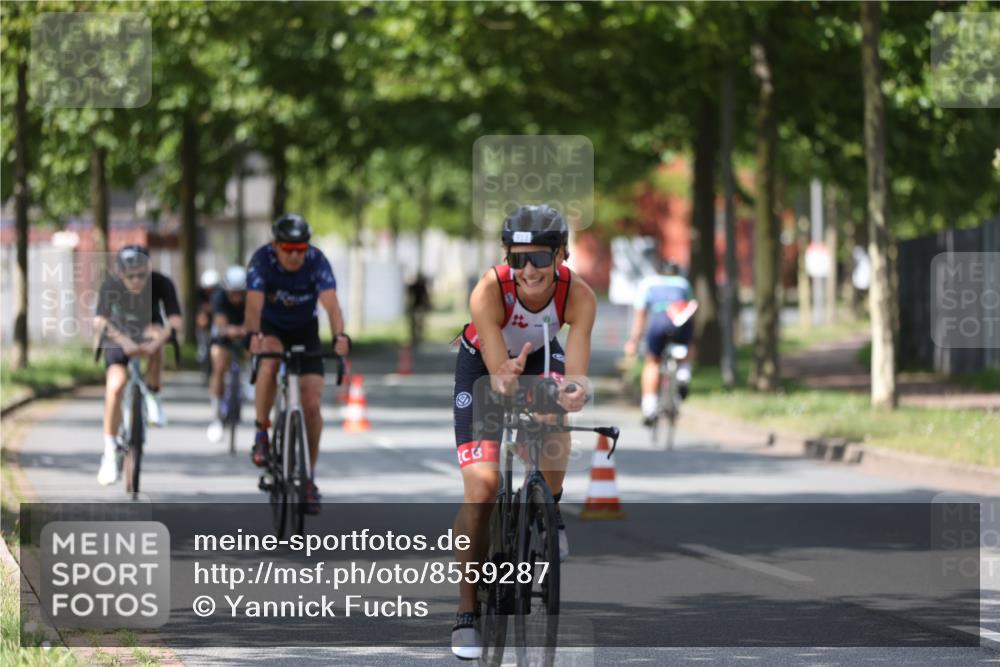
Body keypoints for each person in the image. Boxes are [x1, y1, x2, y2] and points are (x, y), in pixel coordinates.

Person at [450, 205, 596, 660]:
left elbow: (576, 369)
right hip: (484, 366)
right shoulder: (489, 290)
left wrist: (573, 392)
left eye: (539, 257)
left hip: (540, 356)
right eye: (518, 258)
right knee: (484, 487)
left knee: (556, 417)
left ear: (561, 255)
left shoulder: (579, 296)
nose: (528, 269)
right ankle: (467, 611)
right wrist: (505, 375)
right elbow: (498, 376)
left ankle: (547, 510)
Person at [243, 214, 351, 515]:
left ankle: (308, 478)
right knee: (269, 361)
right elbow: (254, 304)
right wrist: (253, 335)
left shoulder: (317, 261)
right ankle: (261, 432)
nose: (294, 254)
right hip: (272, 327)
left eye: (300, 248)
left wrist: (339, 335)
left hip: (305, 330)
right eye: (288, 247)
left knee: (312, 406)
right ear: (275, 244)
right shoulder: (262, 260)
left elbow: (330, 302)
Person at [94, 245, 183, 486]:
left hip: (148, 331)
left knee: (157, 338)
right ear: (120, 273)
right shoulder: (111, 285)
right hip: (118, 335)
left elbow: (175, 320)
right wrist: (123, 341)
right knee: (116, 385)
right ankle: (110, 452)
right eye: (130, 275)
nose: (136, 280)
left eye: (141, 275)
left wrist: (160, 340)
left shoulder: (162, 283)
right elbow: (99, 320)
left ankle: (153, 395)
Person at [624, 259, 698, 423]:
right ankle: (684, 373)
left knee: (653, 362)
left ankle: (649, 407)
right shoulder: (683, 283)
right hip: (680, 321)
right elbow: (692, 308)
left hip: (659, 321)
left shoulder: (648, 283)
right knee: (688, 346)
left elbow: (641, 315)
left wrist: (634, 340)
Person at [206, 265, 248, 443]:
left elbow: (255, 320)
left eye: (241, 293)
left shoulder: (252, 297)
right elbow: (221, 323)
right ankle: (216, 415)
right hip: (224, 334)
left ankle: (249, 379)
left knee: (258, 347)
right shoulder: (219, 297)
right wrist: (230, 330)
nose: (237, 297)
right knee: (219, 363)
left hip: (246, 331)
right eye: (233, 293)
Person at [195, 269, 220, 381]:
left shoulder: (221, 294)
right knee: (202, 320)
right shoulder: (199, 294)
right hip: (205, 321)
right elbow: (200, 310)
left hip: (216, 320)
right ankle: (202, 348)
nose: (210, 291)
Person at [405, 272, 431, 346]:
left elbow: (425, 297)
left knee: (418, 323)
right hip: (416, 306)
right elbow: (425, 297)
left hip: (418, 307)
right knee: (415, 323)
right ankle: (416, 337)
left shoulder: (420, 286)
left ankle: (417, 336)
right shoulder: (416, 286)